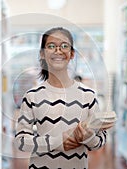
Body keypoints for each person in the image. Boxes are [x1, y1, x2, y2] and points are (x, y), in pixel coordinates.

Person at [14, 27, 107, 169]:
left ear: (72, 54)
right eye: (51, 46)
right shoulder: (32, 96)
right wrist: (57, 142)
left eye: (64, 46)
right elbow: (21, 141)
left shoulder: (88, 95)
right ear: (42, 54)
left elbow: (101, 140)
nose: (58, 50)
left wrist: (87, 137)